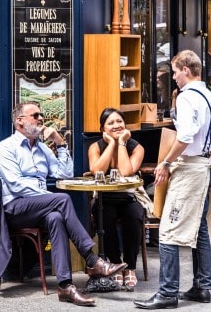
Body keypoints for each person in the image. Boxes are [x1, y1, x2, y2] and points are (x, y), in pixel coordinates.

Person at [0, 101, 126, 307]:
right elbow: (16, 185)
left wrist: (60, 142)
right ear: (20, 122)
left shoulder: (42, 149)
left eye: (41, 115)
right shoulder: (6, 147)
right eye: (35, 115)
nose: (40, 119)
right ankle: (92, 259)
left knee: (55, 217)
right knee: (61, 199)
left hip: (39, 206)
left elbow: (64, 173)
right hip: (15, 208)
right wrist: (49, 198)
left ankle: (65, 286)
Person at [134, 50, 211, 309]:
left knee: (168, 230)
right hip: (206, 166)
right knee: (199, 230)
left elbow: (184, 136)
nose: (173, 76)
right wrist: (203, 155)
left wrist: (165, 162)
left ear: (186, 69)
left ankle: (167, 293)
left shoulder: (187, 98)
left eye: (175, 71)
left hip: (188, 169)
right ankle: (202, 287)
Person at [87, 108, 145, 291]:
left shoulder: (136, 147)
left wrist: (121, 143)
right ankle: (114, 264)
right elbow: (97, 171)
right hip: (105, 198)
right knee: (104, 215)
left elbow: (126, 171)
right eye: (110, 123)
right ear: (102, 128)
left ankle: (130, 267)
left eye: (119, 121)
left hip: (128, 197)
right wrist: (111, 144)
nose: (116, 125)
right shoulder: (96, 147)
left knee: (135, 216)